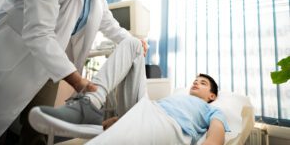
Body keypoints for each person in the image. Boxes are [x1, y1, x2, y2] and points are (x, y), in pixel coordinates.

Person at [0, 0, 148, 143]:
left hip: (47, 69)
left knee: (37, 132)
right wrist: (78, 81)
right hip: (11, 60)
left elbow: (106, 21)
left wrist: (133, 42)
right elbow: (39, 33)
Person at [29, 37, 230, 145]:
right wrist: (118, 120)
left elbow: (215, 138)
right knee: (134, 43)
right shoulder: (175, 98)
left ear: (212, 96)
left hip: (172, 127)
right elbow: (144, 112)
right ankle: (89, 103)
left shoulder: (213, 110)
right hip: (146, 110)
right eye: (196, 80)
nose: (196, 83)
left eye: (203, 83)